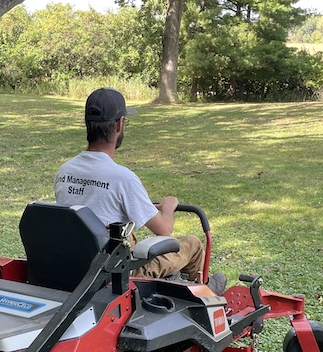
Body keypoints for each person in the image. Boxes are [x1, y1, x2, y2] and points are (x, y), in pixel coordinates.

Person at [54, 87, 226, 294]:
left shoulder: (65, 171)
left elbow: (95, 205)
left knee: (136, 241)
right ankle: (203, 296)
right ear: (119, 124)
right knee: (192, 244)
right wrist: (168, 209)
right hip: (118, 272)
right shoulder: (122, 178)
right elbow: (164, 229)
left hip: (78, 264)